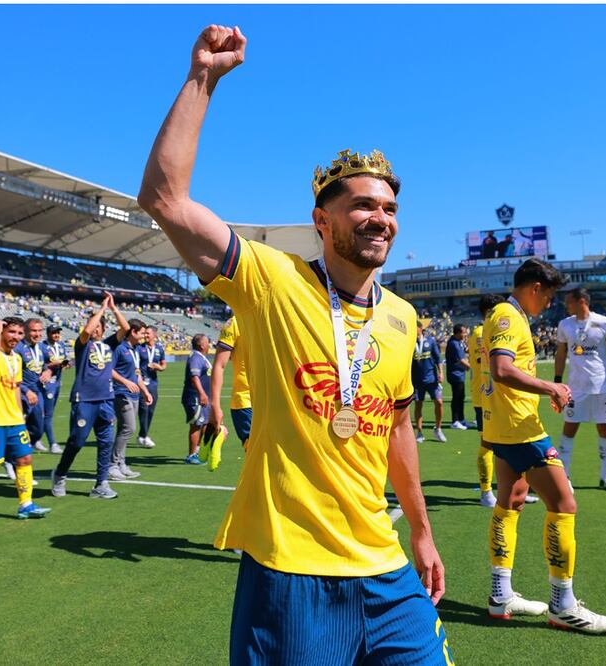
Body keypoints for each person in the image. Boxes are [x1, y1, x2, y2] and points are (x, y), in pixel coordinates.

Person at [137, 24, 450, 664]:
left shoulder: (403, 316)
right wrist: (203, 78)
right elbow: (165, 199)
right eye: (363, 205)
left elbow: (395, 431)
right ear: (321, 219)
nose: (381, 219)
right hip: (292, 570)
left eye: (390, 208)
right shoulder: (271, 279)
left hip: (386, 568)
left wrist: (422, 533)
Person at [482, 258, 606, 634]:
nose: (550, 304)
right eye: (550, 296)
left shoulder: (505, 314)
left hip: (502, 427)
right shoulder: (508, 315)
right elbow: (501, 369)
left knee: (510, 500)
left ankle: (500, 595)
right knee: (564, 502)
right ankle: (563, 604)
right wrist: (551, 387)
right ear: (536, 287)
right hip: (520, 430)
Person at [50, 294, 130, 500]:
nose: (95, 329)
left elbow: (126, 329)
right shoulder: (83, 345)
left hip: (106, 400)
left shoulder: (109, 345)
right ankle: (59, 474)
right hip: (84, 399)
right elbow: (86, 331)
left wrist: (113, 309)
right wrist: (100, 310)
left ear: (103, 330)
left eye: (99, 327)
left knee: (105, 443)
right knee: (77, 442)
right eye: (93, 326)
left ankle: (101, 483)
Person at [0, 317, 52, 523]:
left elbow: (16, 388)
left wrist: (20, 415)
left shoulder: (16, 358)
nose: (15, 337)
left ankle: (26, 505)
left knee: (25, 459)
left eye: (19, 333)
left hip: (14, 420)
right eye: (11, 332)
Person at [553, 288, 606, 494]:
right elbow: (560, 353)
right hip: (576, 389)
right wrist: (557, 381)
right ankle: (564, 477)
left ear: (581, 301)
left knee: (605, 431)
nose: (566, 305)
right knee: (569, 429)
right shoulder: (565, 324)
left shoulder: (605, 323)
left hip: (602, 387)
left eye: (569, 301)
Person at [469, 294, 504, 508]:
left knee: (508, 444)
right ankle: (486, 492)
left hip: (497, 395)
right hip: (485, 397)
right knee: (488, 444)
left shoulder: (488, 331)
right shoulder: (481, 333)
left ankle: (510, 488)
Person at [110, 318, 152, 480]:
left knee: (124, 430)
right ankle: (112, 465)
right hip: (121, 393)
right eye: (142, 333)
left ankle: (121, 463)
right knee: (129, 428)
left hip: (134, 395)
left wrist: (145, 391)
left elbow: (137, 374)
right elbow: (110, 370)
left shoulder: (134, 350)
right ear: (133, 332)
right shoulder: (120, 348)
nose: (144, 336)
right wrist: (126, 382)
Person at [210, 316, 251, 450]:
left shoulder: (275, 319)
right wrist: (215, 406)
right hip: (246, 401)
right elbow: (219, 365)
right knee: (255, 453)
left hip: (274, 401)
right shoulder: (234, 322)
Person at [16, 318, 50, 453]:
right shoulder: (18, 348)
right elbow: (13, 375)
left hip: (38, 392)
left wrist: (48, 371)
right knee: (18, 424)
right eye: (34, 331)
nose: (37, 334)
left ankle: (28, 444)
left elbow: (49, 364)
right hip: (21, 392)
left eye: (40, 330)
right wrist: (26, 391)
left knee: (38, 428)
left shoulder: (42, 347)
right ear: (25, 331)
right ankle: (12, 456)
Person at [40, 325, 71, 454]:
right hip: (47, 383)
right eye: (54, 332)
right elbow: (39, 364)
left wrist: (66, 364)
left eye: (58, 332)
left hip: (57, 382)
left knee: (48, 413)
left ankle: (35, 440)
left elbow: (65, 362)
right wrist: (55, 364)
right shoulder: (42, 346)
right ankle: (52, 443)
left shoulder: (61, 346)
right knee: (48, 414)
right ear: (48, 333)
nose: (56, 335)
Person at [412, 321, 445, 443]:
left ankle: (438, 428)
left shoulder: (430, 341)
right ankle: (419, 432)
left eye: (414, 328)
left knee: (439, 402)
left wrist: (441, 373)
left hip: (432, 379)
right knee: (418, 405)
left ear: (420, 329)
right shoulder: (410, 343)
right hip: (417, 381)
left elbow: (438, 359)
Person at [182, 334, 211, 465]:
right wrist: (202, 393)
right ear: (202, 345)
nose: (209, 344)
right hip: (195, 397)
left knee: (204, 424)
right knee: (196, 425)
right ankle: (191, 455)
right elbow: (194, 377)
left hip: (202, 398)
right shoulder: (196, 358)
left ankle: (197, 451)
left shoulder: (201, 358)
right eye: (207, 342)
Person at [137, 326, 167, 448]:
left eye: (148, 334)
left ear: (154, 335)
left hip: (153, 383)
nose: (145, 335)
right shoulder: (139, 348)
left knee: (151, 410)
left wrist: (158, 367)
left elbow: (163, 365)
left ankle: (143, 435)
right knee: (143, 409)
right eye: (145, 334)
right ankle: (144, 436)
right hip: (141, 383)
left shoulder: (159, 349)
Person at [445, 324, 470, 430]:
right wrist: (473, 367)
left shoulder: (458, 342)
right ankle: (455, 421)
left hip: (459, 374)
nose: (465, 334)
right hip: (455, 374)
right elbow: (462, 360)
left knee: (461, 397)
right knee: (457, 397)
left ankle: (461, 419)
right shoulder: (454, 344)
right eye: (464, 332)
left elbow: (466, 351)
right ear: (458, 333)